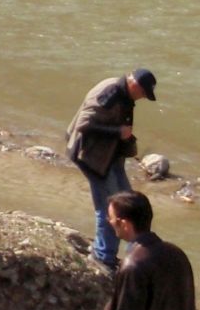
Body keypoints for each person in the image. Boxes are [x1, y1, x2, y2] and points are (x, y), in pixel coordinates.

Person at [68, 68, 158, 270]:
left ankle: (122, 252)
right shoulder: (110, 93)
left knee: (128, 202)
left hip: (110, 156)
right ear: (135, 85)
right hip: (91, 156)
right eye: (143, 93)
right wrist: (118, 132)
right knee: (109, 207)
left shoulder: (124, 92)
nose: (143, 98)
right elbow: (83, 124)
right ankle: (103, 257)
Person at [103, 190, 196, 310]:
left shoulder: (132, 266)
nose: (109, 222)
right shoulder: (177, 254)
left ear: (124, 224)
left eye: (110, 218)